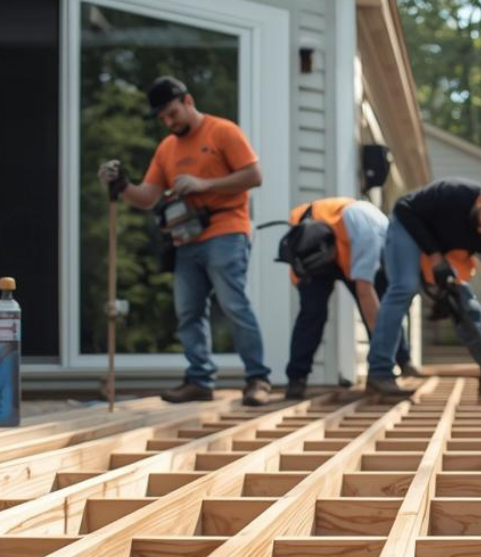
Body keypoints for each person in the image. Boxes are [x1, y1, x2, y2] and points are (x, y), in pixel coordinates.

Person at [97, 76, 273, 406]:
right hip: (186, 238)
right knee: (188, 312)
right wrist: (122, 186)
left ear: (188, 101)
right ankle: (199, 380)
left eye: (172, 113)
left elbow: (254, 176)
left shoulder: (223, 131)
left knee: (234, 304)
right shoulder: (167, 148)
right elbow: (147, 197)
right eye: (162, 117)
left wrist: (204, 184)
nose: (168, 122)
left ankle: (258, 379)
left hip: (226, 229)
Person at [366, 178, 481, 403]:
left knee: (465, 304)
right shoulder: (452, 194)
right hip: (408, 228)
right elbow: (404, 207)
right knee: (405, 286)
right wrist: (434, 255)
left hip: (445, 252)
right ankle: (379, 374)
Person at [282, 197, 420, 400]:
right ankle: (297, 379)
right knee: (313, 313)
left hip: (345, 247)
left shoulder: (390, 244)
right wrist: (381, 342)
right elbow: (365, 292)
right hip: (316, 245)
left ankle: (403, 361)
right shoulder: (371, 235)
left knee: (387, 303)